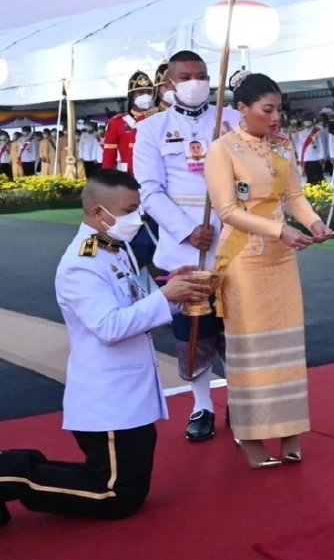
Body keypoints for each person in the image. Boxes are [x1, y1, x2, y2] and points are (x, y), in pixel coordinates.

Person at [0, 170, 212, 525]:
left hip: (131, 394)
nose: (137, 218)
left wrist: (176, 289)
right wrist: (164, 297)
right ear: (100, 213)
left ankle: (13, 469)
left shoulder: (115, 247)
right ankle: (10, 474)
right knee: (115, 496)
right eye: (130, 210)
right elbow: (109, 326)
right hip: (109, 398)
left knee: (123, 488)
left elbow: (140, 300)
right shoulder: (80, 265)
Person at [206, 74, 330, 468]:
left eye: (279, 109)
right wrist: (281, 230)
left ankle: (290, 430)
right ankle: (250, 435)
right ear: (242, 109)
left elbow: (293, 195)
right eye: (267, 109)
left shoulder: (282, 146)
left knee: (286, 345)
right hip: (244, 257)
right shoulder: (221, 150)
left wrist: (313, 224)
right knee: (250, 349)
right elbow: (227, 211)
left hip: (282, 257)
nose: (276, 117)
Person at [133, 50, 240, 442]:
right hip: (185, 246)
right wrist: (185, 230)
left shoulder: (231, 121)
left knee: (236, 325)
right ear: (169, 84)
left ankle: (240, 400)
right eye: (186, 76)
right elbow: (149, 189)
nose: (195, 82)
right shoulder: (152, 129)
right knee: (193, 328)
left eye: (201, 75)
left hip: (233, 239)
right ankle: (201, 405)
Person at [295, 115, 326, 184]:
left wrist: (322, 156)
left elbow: (321, 144)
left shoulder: (317, 131)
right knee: (309, 178)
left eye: (308, 119)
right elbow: (300, 146)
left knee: (318, 178)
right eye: (305, 120)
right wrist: (300, 158)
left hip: (316, 158)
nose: (307, 121)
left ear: (312, 121)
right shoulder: (301, 133)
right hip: (306, 158)